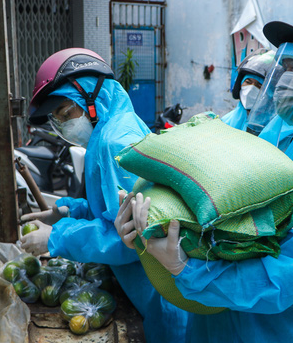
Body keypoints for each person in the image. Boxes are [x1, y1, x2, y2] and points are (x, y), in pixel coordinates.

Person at [116, 12, 293, 342]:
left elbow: (284, 279)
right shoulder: (275, 134)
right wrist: (154, 227)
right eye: (287, 66)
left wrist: (187, 269)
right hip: (212, 324)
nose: (290, 77)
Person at [20, 48, 188, 342]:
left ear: (91, 97)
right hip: (146, 288)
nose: (62, 125)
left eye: (65, 112)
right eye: (56, 118)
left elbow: (135, 237)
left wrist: (56, 237)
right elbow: (113, 212)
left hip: (161, 295)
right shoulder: (106, 134)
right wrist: (66, 211)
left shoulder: (116, 141)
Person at [221, 48, 293, 149]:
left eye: (259, 85)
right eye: (248, 82)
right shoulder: (224, 123)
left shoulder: (284, 133)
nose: (251, 88)